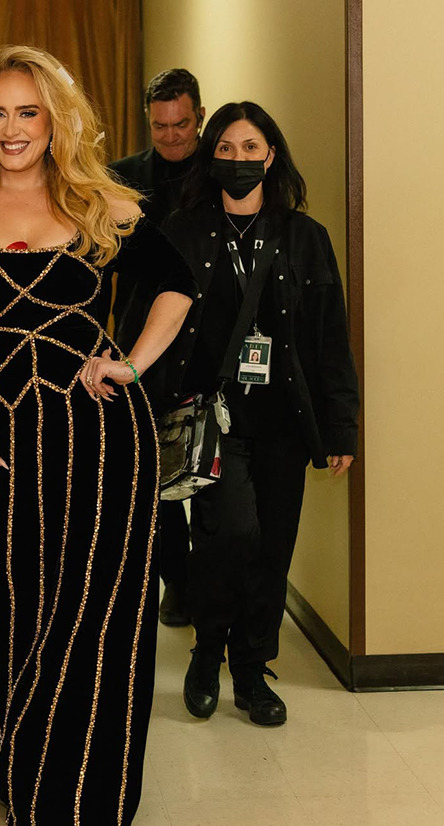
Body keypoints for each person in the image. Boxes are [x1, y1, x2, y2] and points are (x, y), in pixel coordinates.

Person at [0, 46, 194, 826]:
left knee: (94, 616)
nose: (11, 130)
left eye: (27, 112)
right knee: (2, 609)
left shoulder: (102, 202)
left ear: (54, 119)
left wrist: (132, 362)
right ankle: (23, 760)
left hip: (102, 440)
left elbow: (178, 286)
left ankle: (83, 800)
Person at [163, 102, 359, 726]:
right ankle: (207, 652)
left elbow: (330, 340)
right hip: (212, 420)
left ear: (272, 155)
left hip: (282, 420)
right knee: (231, 534)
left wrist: (341, 428)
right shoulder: (183, 232)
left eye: (251, 148)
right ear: (210, 156)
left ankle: (251, 669)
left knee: (272, 547)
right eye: (226, 149)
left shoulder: (307, 238)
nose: (239, 160)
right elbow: (149, 323)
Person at [110, 68, 206, 627]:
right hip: (137, 340)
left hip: (205, 343)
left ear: (198, 115)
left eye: (182, 124)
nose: (171, 136)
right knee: (152, 473)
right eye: (160, 125)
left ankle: (207, 589)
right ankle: (180, 579)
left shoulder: (221, 174)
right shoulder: (119, 180)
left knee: (208, 470)